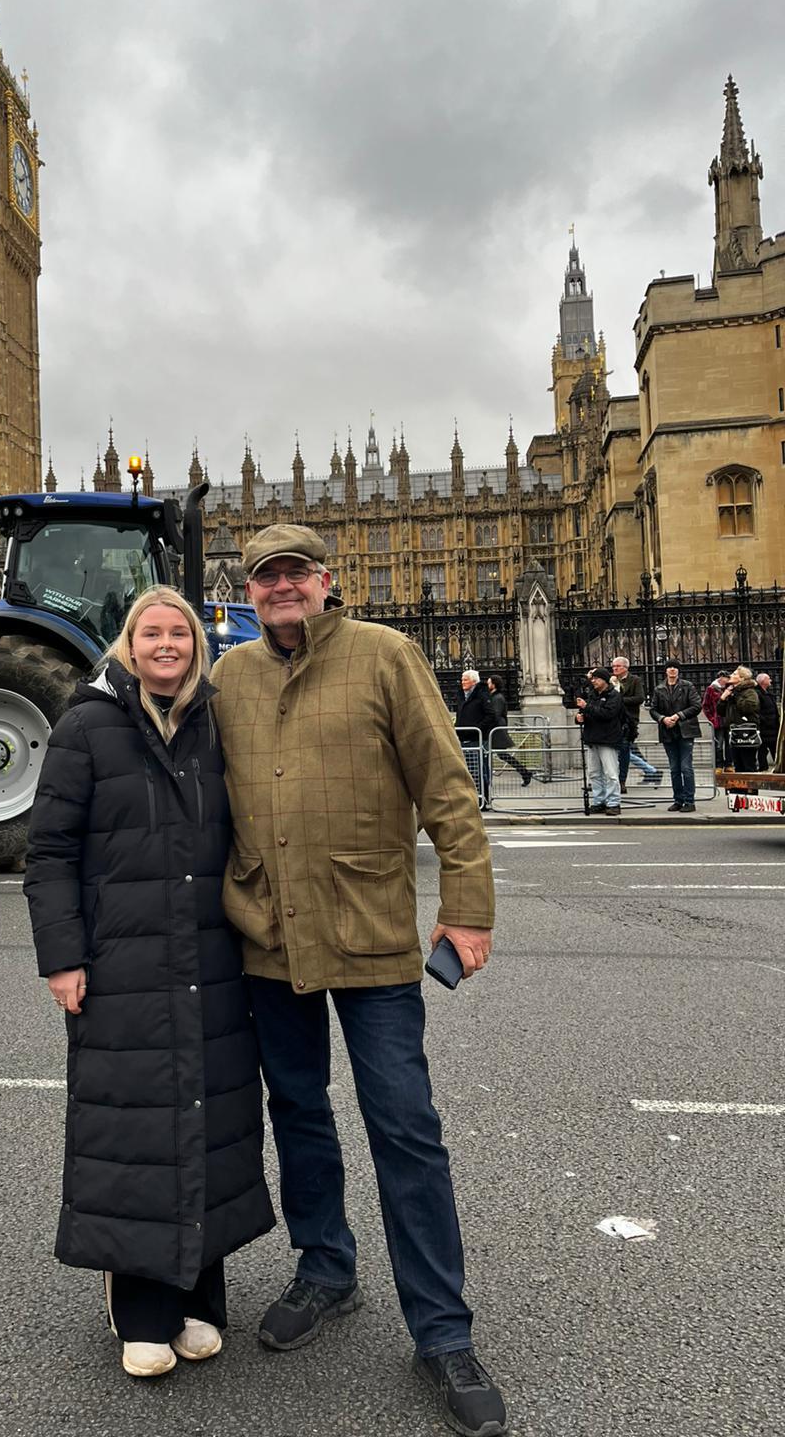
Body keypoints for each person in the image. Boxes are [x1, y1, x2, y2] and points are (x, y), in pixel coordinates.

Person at [210, 523, 508, 1437]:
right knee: (296, 1110)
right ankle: (326, 1270)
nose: (282, 587)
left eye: (296, 572)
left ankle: (443, 1331)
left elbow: (445, 787)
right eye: (266, 577)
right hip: (269, 931)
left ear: (327, 582)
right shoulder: (230, 676)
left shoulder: (385, 654)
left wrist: (469, 906)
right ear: (250, 592)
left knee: (405, 1127)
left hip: (371, 928)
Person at [24, 587, 274, 1381]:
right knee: (132, 1128)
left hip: (211, 960)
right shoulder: (85, 728)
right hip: (122, 963)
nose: (166, 645)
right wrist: (63, 959)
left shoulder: (215, 722)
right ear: (127, 645)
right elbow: (49, 855)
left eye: (181, 634)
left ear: (198, 648)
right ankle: (140, 1308)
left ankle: (200, 1297)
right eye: (151, 632)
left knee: (209, 1115)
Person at [649, 665, 703, 812]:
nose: (672, 670)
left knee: (686, 767)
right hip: (668, 732)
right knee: (674, 768)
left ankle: (689, 801)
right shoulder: (659, 688)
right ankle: (678, 800)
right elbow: (653, 709)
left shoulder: (687, 686)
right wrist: (662, 719)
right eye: (669, 667)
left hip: (685, 731)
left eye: (675, 667)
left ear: (678, 671)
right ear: (665, 671)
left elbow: (696, 706)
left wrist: (678, 715)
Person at [609, 656, 662, 792]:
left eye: (618, 666)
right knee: (625, 750)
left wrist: (619, 700)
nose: (614, 668)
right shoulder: (611, 681)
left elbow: (639, 698)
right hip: (612, 720)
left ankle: (649, 772)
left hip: (628, 721)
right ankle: (651, 772)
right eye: (613, 666)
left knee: (625, 749)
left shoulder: (634, 680)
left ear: (625, 668)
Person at [576, 667, 624, 815]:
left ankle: (613, 802)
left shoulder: (613, 696)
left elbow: (607, 714)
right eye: (592, 679)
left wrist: (587, 707)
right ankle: (599, 800)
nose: (593, 681)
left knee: (611, 773)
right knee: (594, 773)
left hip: (608, 739)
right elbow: (586, 712)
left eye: (596, 678)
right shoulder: (592, 695)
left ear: (604, 680)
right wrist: (579, 718)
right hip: (592, 738)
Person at [485, 675, 533, 789]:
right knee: (500, 755)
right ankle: (525, 773)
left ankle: (525, 773)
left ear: (494, 684)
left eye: (489, 683)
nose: (487, 685)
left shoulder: (497, 698)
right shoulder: (494, 697)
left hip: (496, 730)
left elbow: (495, 715)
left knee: (498, 755)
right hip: (495, 730)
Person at [453, 668, 493, 805]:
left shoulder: (482, 694)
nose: (462, 682)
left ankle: (482, 799)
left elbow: (490, 715)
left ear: (473, 682)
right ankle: (470, 799)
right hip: (463, 737)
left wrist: (477, 729)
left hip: (476, 738)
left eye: (465, 680)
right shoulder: (461, 695)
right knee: (467, 770)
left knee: (479, 771)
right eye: (462, 679)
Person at [720, 667, 761, 773]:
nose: (731, 675)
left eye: (734, 674)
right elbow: (720, 712)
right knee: (737, 763)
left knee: (748, 763)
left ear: (742, 678)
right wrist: (723, 699)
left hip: (746, 733)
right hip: (734, 731)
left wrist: (736, 696)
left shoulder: (750, 691)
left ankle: (750, 789)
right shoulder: (731, 691)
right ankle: (739, 789)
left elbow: (750, 707)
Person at [702, 673, 730, 767]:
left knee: (729, 744)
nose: (728, 680)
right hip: (718, 721)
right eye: (727, 678)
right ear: (721, 677)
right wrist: (712, 719)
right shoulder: (711, 689)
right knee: (719, 744)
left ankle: (729, 764)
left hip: (729, 720)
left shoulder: (729, 688)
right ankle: (719, 765)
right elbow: (705, 705)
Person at [755, 674, 780, 773]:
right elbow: (758, 711)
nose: (771, 680)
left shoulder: (767, 693)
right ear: (763, 681)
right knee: (763, 749)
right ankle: (763, 767)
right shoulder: (758, 694)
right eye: (769, 678)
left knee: (774, 749)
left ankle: (778, 767)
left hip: (772, 727)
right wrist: (765, 721)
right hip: (765, 727)